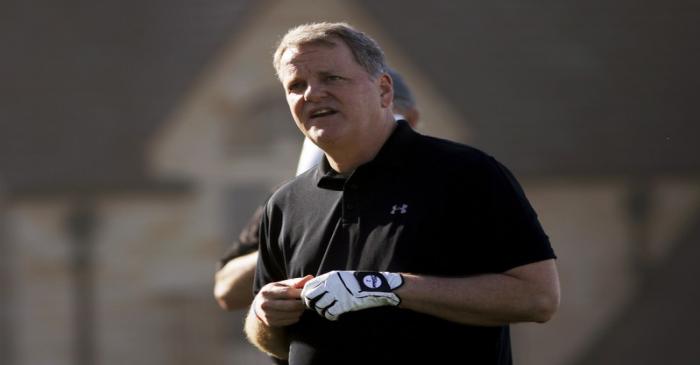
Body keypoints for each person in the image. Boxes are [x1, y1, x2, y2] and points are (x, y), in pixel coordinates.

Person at [245, 22, 560, 365]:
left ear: (383, 91)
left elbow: (538, 298)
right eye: (296, 86)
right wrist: (264, 314)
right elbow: (275, 343)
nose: (312, 94)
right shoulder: (285, 203)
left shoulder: (465, 173)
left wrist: (388, 287)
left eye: (331, 78)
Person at [214, 68, 420, 311]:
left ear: (411, 120)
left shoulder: (446, 178)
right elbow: (226, 291)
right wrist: (296, 236)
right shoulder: (290, 197)